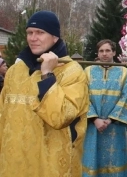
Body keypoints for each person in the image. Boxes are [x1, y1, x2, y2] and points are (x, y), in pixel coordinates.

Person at [0, 10, 89, 176]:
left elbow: (61, 117)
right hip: (12, 166)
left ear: (55, 37)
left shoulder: (72, 72)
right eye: (30, 33)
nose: (33, 38)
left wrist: (47, 75)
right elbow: (2, 116)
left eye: (40, 33)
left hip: (50, 166)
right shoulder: (14, 71)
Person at [82, 39, 127, 177]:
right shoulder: (88, 71)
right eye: (101, 51)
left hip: (114, 127)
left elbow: (126, 97)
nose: (104, 54)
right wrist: (94, 119)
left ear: (114, 52)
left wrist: (110, 120)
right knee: (92, 159)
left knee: (114, 161)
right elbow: (83, 96)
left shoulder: (124, 72)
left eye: (108, 50)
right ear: (97, 53)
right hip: (93, 126)